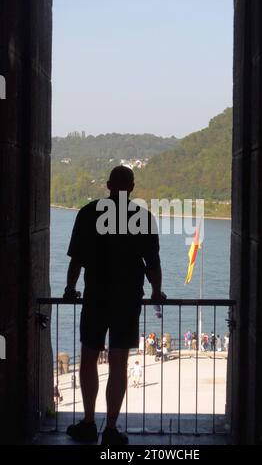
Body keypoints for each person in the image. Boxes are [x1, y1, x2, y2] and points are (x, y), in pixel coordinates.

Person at [63, 166, 166, 445]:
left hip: (96, 294)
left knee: (88, 357)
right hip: (128, 297)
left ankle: (87, 422)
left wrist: (71, 288)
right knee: (118, 363)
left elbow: (77, 259)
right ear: (132, 187)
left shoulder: (88, 213)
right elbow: (152, 263)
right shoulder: (143, 217)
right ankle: (110, 428)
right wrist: (156, 291)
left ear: (108, 185)